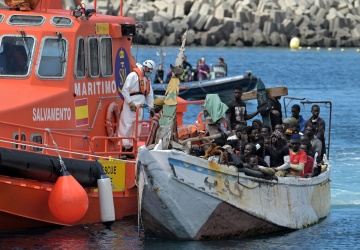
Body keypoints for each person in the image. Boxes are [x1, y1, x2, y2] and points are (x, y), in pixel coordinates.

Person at [118, 60, 155, 153]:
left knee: (136, 128)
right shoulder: (133, 76)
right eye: (149, 71)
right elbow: (125, 90)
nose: (149, 74)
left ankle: (131, 148)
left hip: (140, 107)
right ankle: (122, 147)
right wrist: (130, 103)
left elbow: (149, 95)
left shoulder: (147, 80)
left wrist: (152, 108)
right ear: (146, 68)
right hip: (130, 105)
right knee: (126, 125)